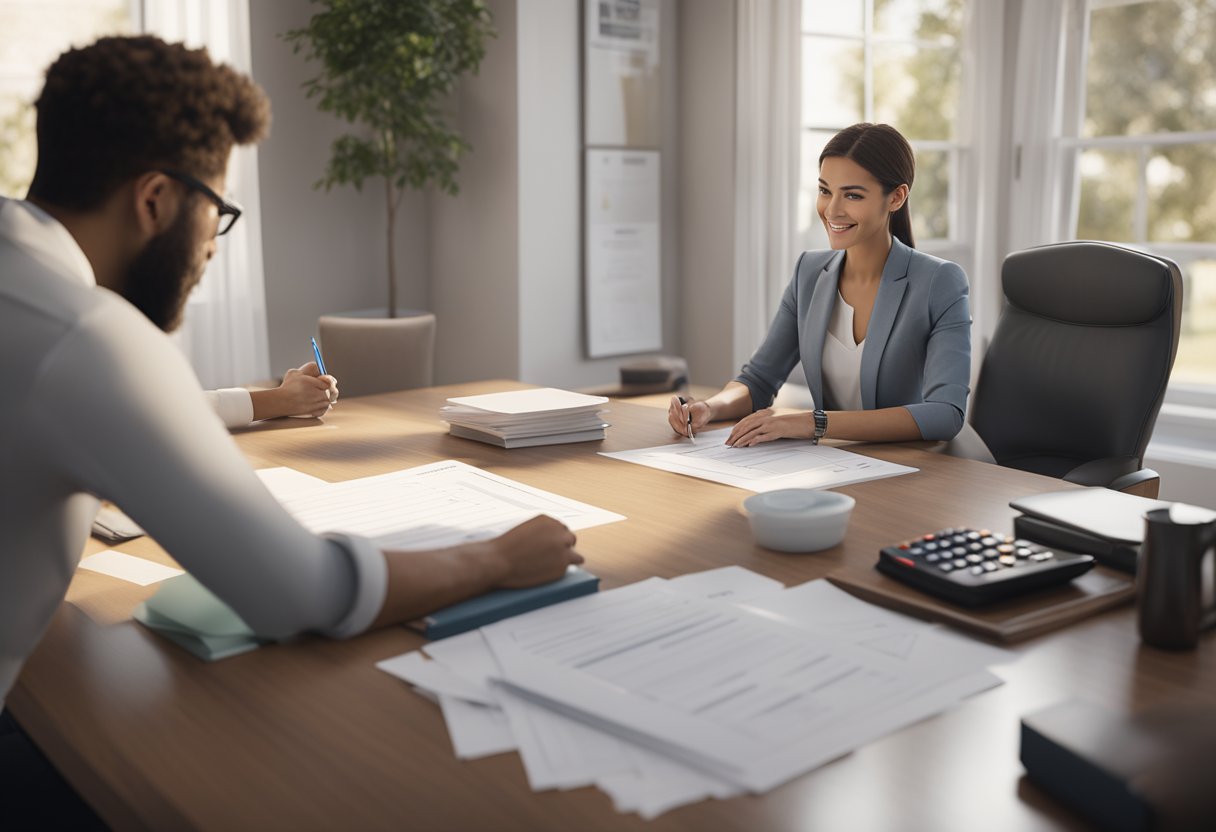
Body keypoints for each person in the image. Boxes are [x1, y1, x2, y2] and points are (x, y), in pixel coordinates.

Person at [0, 35, 580, 823]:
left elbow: (81, 406)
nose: (210, 245)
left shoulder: (26, 289)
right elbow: (297, 591)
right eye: (219, 211)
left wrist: (259, 402)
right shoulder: (88, 335)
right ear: (156, 200)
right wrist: (499, 555)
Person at [669, 122, 971, 447]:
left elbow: (945, 413)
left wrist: (815, 422)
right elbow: (759, 380)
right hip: (833, 464)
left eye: (852, 195)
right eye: (825, 191)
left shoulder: (939, 282)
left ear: (896, 197)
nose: (832, 210)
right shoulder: (809, 273)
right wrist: (709, 408)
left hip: (910, 468)